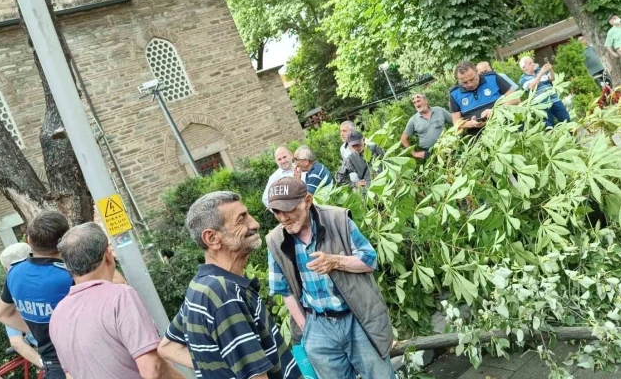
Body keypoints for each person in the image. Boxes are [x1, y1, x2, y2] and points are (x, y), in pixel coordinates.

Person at [158, 191, 303, 379]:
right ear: (212, 238)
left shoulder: (201, 286)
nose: (254, 224)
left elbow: (168, 347)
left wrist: (220, 370)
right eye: (241, 219)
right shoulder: (224, 295)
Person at [265, 177, 394, 379]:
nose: (283, 218)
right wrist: (306, 328)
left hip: (357, 317)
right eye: (276, 212)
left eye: (288, 209)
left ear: (307, 200)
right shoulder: (275, 240)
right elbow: (283, 289)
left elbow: (370, 260)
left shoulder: (338, 220)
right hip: (317, 326)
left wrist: (336, 262)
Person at [49, 222, 184, 379]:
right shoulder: (121, 296)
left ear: (67, 266)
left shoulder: (58, 315)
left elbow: (70, 375)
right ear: (107, 255)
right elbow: (153, 370)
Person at [0, 210, 72, 379]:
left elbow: (0, 313)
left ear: (29, 240)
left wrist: (38, 330)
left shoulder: (15, 274)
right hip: (81, 359)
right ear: (64, 241)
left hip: (53, 364)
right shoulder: (70, 274)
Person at [0, 243, 42, 369]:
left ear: (6, 270)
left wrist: (43, 363)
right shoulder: (56, 274)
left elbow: (16, 342)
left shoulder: (9, 298)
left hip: (49, 353)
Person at [449, 61, 518, 136]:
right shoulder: (454, 93)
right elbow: (456, 121)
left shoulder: (492, 78)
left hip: (505, 129)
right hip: (478, 138)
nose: (470, 84)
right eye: (464, 82)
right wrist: (471, 124)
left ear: (477, 72)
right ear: (458, 80)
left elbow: (515, 99)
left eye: (472, 79)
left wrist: (495, 110)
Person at [518, 56, 571, 128]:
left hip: (554, 99)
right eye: (530, 63)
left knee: (566, 120)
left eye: (532, 62)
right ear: (524, 67)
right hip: (541, 105)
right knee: (549, 126)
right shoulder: (523, 78)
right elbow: (531, 87)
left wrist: (550, 69)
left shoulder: (539, 70)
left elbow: (552, 78)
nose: (533, 64)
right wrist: (541, 73)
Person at [401, 93, 453, 160]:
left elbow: (455, 121)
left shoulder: (439, 110)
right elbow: (403, 139)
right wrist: (414, 153)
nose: (417, 104)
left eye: (419, 101)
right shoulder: (413, 120)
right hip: (429, 154)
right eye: (414, 103)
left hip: (447, 148)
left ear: (426, 101)